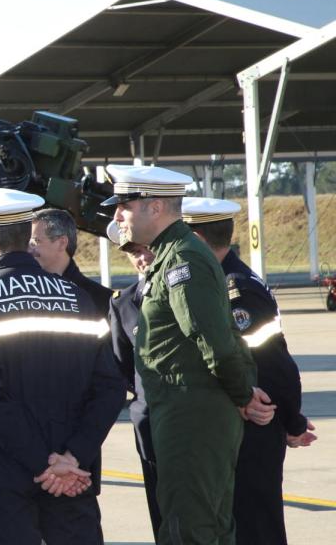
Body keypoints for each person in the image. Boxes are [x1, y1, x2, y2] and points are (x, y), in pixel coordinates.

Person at [102, 165, 270, 545]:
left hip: (191, 411)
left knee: (190, 525)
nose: (117, 216)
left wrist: (243, 394)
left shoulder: (182, 260)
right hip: (183, 408)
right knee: (197, 520)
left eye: (124, 207)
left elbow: (213, 340)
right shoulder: (171, 255)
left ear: (155, 207)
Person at [0, 187, 125, 545]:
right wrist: (71, 458)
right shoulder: (79, 297)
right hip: (74, 473)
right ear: (27, 238)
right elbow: (110, 387)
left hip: (9, 474)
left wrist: (43, 463)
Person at [182, 197, 317, 545]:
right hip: (238, 425)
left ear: (196, 240)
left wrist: (290, 422)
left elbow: (273, 364)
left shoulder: (236, 290)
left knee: (256, 525)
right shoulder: (218, 282)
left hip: (253, 426)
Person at [105, 221, 162, 536]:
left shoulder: (185, 289)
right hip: (148, 419)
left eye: (145, 250)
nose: (141, 258)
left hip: (189, 417)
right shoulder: (123, 303)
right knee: (158, 503)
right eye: (134, 253)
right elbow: (122, 366)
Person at [30, 208, 112, 318]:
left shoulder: (103, 301)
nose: (29, 250)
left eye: (35, 242)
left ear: (62, 243)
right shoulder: (23, 292)